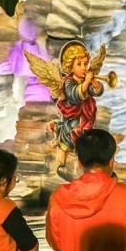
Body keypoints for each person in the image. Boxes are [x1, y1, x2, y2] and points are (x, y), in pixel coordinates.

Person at [50, 40, 105, 177]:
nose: (84, 67)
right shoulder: (68, 81)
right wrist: (86, 82)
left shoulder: (84, 79)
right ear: (70, 66)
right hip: (72, 118)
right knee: (67, 140)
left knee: (85, 140)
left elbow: (93, 91)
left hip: (85, 117)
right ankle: (61, 163)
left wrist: (96, 85)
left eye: (86, 63)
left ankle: (82, 166)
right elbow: (74, 95)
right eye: (79, 64)